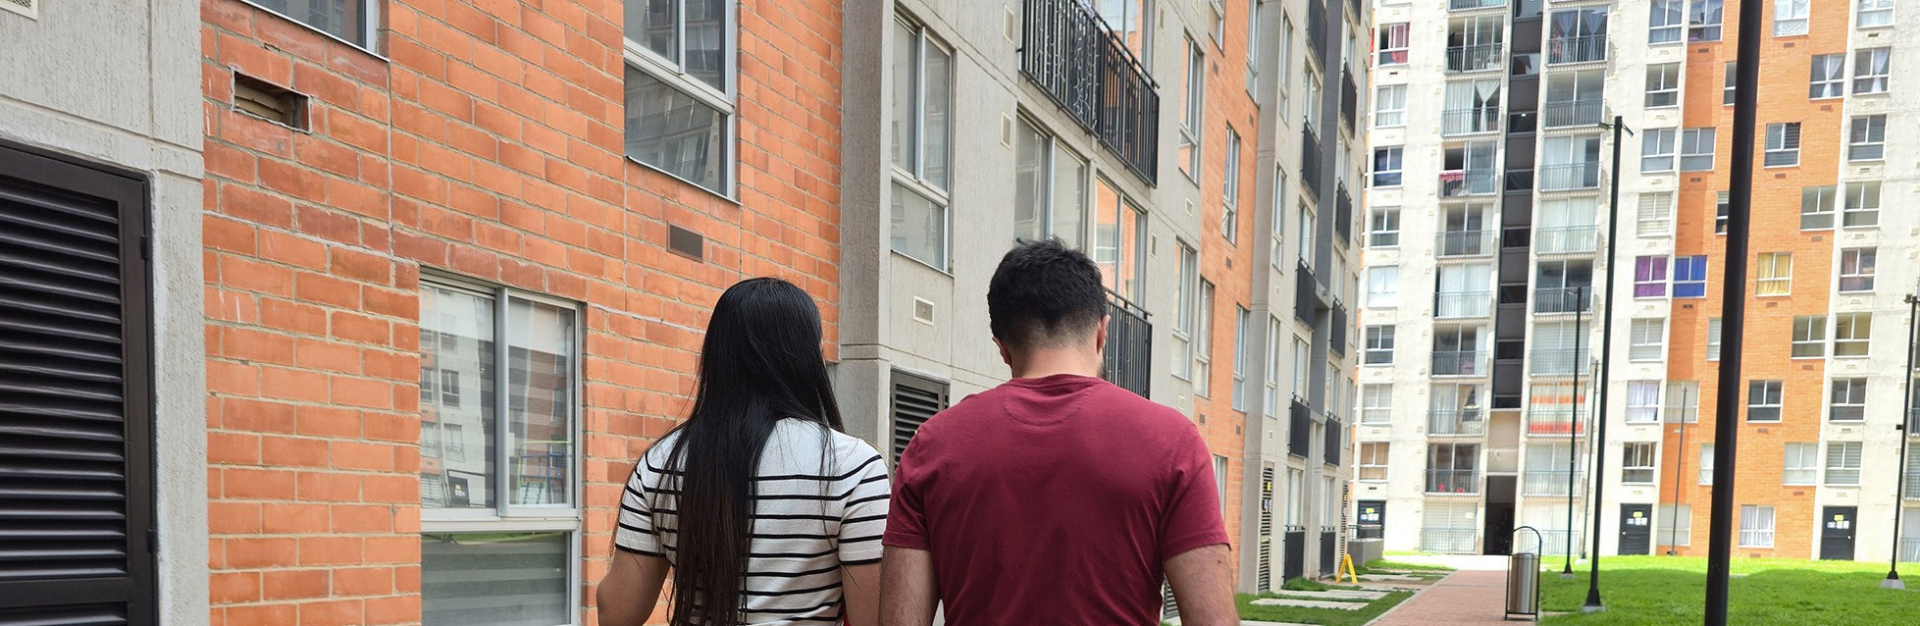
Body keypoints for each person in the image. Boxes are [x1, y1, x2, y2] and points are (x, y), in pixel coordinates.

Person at [879, 240, 1238, 626]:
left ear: (1002, 347)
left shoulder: (932, 444)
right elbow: (1212, 619)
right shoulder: (1173, 442)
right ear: (1102, 333)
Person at [599, 278, 889, 626]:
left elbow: (616, 614)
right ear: (808, 355)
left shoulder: (662, 463)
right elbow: (873, 618)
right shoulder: (853, 467)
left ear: (716, 355)